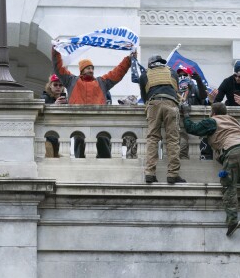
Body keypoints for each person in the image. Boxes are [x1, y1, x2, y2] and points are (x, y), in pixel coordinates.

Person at [182, 102, 240, 236]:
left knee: (228, 183)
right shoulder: (233, 121)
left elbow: (192, 128)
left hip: (234, 151)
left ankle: (232, 220)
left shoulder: (213, 121)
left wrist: (186, 114)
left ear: (213, 113)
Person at [139, 55, 183, 184]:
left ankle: (149, 173)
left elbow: (144, 96)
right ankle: (172, 174)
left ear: (150, 64)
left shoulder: (145, 74)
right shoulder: (172, 72)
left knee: (152, 138)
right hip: (171, 103)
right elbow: (176, 90)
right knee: (173, 139)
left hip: (154, 103)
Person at [52, 48, 131, 105]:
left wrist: (129, 60)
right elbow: (59, 68)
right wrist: (56, 51)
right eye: (88, 68)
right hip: (76, 121)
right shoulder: (71, 81)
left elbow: (117, 73)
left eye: (92, 68)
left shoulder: (101, 82)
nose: (91, 71)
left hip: (97, 122)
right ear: (82, 70)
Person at [175, 65, 210, 159]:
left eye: (184, 75)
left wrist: (198, 81)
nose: (182, 77)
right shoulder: (175, 89)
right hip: (178, 125)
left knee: (193, 156)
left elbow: (203, 96)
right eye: (179, 75)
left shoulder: (194, 87)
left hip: (192, 125)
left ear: (190, 76)